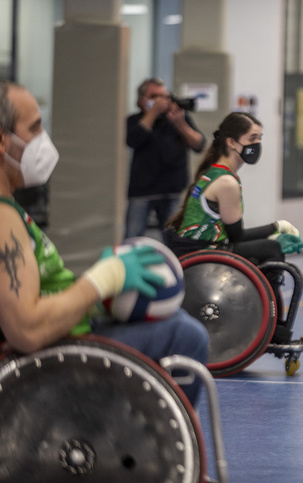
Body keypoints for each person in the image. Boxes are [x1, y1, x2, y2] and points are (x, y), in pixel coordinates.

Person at [0, 81, 209, 405]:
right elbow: (26, 330)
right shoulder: (3, 220)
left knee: (175, 320)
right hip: (50, 361)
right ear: (3, 142)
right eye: (35, 128)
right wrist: (103, 279)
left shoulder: (9, 209)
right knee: (187, 336)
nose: (44, 139)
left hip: (64, 337)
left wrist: (98, 296)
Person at [164, 112, 303, 343]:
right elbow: (236, 236)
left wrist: (275, 229)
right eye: (252, 138)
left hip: (202, 247)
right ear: (231, 142)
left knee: (265, 248)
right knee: (270, 250)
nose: (257, 144)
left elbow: (232, 236)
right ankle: (270, 326)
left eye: (259, 138)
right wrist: (276, 228)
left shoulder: (217, 173)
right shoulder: (226, 182)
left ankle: (268, 321)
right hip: (200, 252)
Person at [125, 78, 206, 239]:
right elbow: (133, 140)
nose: (161, 101)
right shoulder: (134, 120)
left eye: (164, 96)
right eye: (154, 96)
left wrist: (180, 123)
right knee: (133, 237)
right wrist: (153, 113)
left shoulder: (178, 119)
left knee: (175, 238)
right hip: (142, 191)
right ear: (141, 100)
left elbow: (199, 144)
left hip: (173, 190)